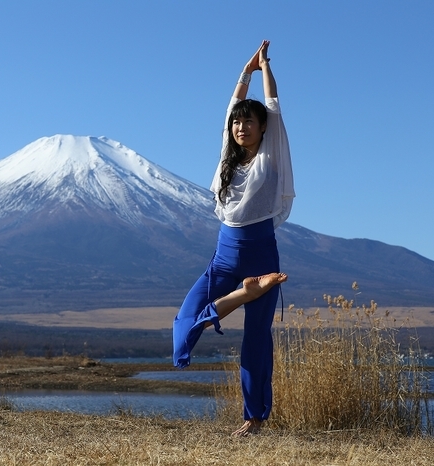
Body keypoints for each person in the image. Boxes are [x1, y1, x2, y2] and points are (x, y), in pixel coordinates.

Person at [172, 40, 295, 437]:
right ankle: (243, 294)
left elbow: (273, 106)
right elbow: (231, 108)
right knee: (184, 323)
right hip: (225, 259)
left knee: (256, 341)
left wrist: (265, 70)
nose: (241, 126)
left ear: (263, 130)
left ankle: (254, 418)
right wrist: (244, 73)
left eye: (249, 122)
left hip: (262, 255)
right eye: (237, 123)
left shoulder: (270, 157)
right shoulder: (227, 157)